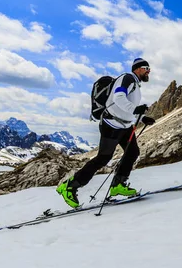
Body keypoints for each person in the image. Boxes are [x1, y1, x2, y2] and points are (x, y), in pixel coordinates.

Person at [57, 58, 156, 208]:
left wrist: (142, 117)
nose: (149, 71)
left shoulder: (134, 84)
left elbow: (126, 108)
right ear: (137, 69)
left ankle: (118, 185)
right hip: (112, 125)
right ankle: (69, 186)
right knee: (103, 158)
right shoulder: (127, 78)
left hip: (124, 126)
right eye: (146, 68)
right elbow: (118, 98)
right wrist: (136, 110)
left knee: (132, 152)